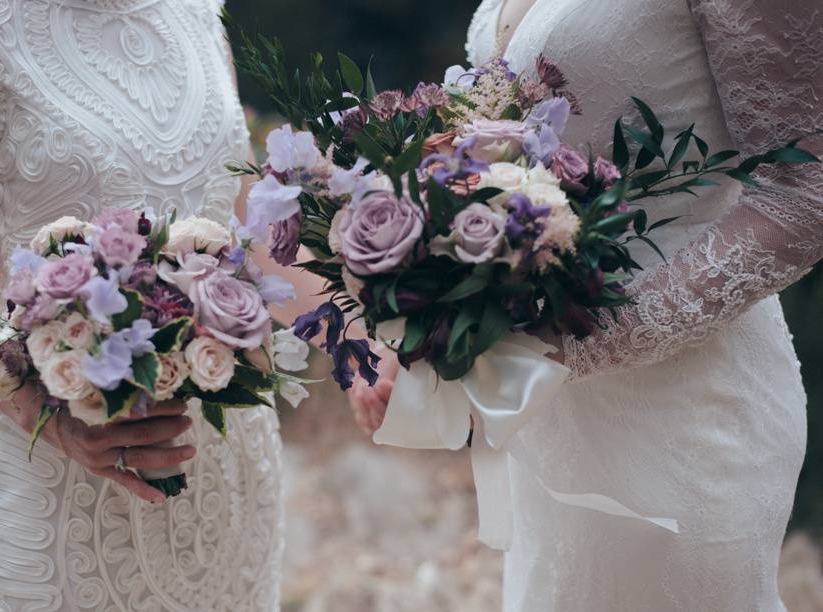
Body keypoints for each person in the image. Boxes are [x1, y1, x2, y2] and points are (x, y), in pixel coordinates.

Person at [349, 0, 822, 609]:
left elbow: (803, 198)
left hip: (686, 410)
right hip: (549, 413)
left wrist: (564, 344)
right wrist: (430, 320)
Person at [0, 0, 310, 608]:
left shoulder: (200, 14)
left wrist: (372, 333)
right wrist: (46, 409)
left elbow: (230, 212)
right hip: (66, 483)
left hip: (226, 464)